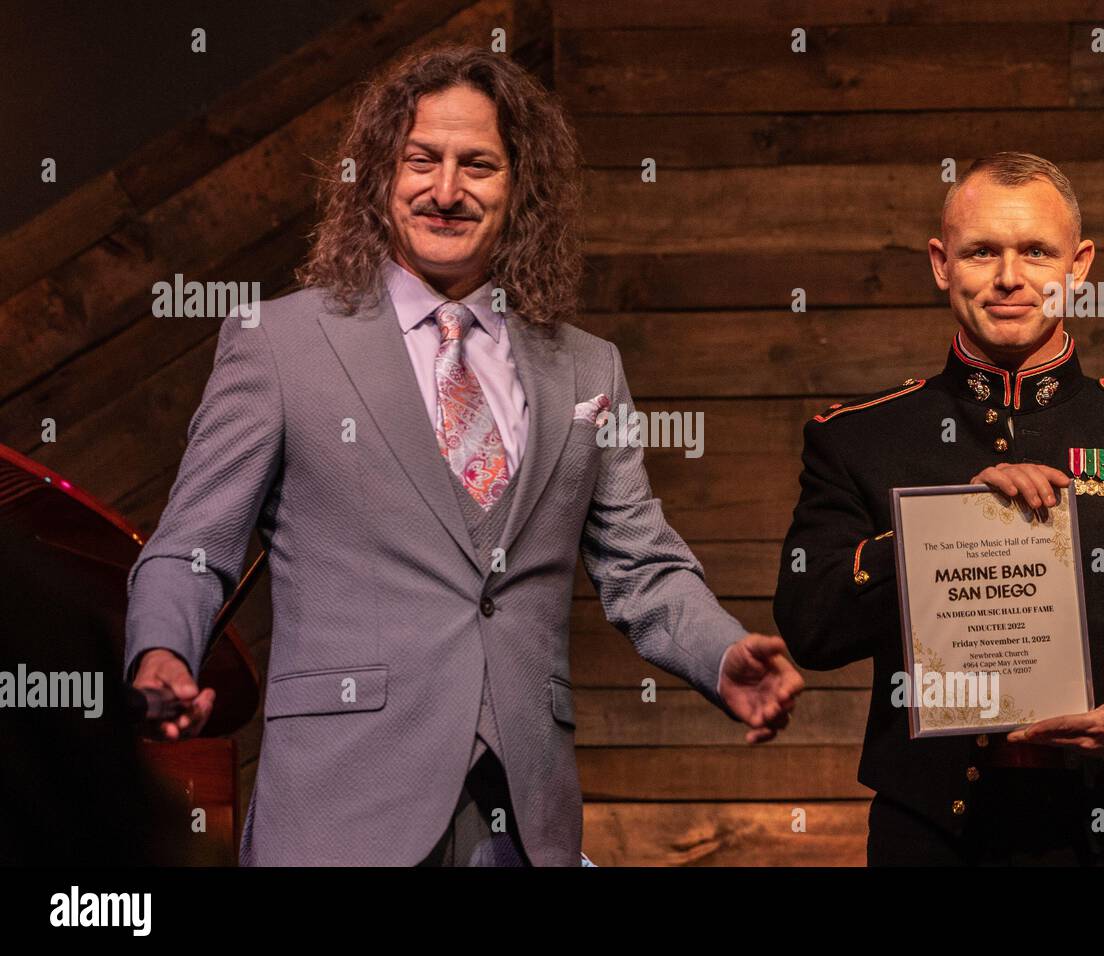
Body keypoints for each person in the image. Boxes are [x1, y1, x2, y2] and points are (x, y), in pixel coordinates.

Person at [125, 45, 803, 867]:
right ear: (380, 174)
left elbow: (644, 568)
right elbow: (194, 547)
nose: (446, 191)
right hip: (340, 811)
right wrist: (162, 651)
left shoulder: (590, 368)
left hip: (523, 813)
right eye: (422, 161)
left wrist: (722, 653)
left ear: (520, 188)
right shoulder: (280, 344)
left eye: (477, 165)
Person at [773, 152, 1104, 865]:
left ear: (1079, 265)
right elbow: (810, 619)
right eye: (981, 252)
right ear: (942, 263)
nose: (1008, 277)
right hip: (926, 842)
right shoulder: (858, 440)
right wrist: (944, 530)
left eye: (1035, 251)